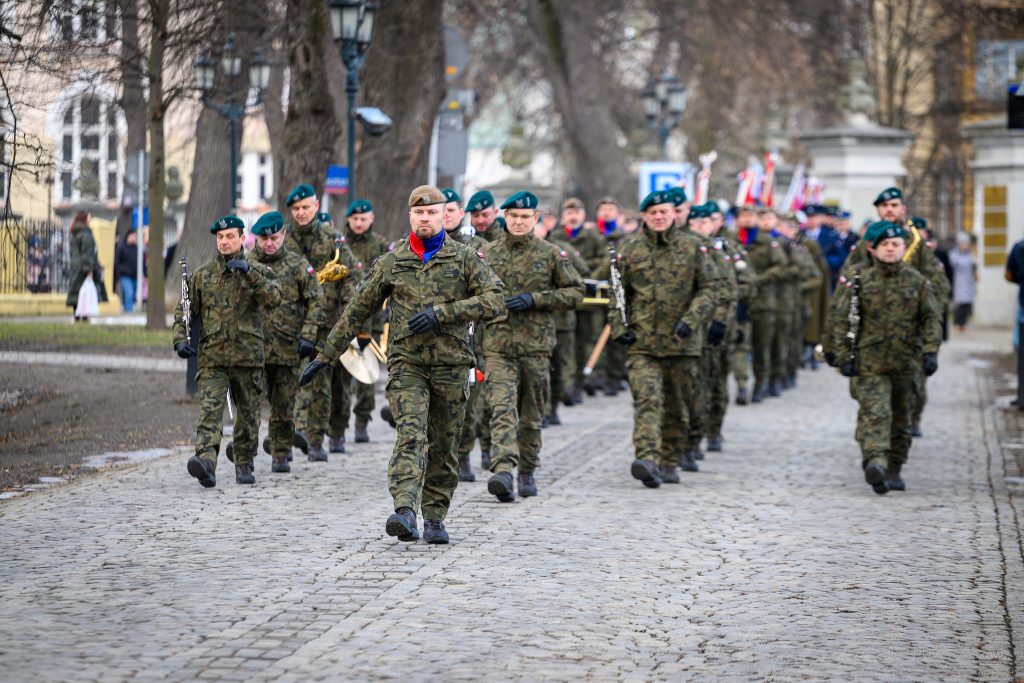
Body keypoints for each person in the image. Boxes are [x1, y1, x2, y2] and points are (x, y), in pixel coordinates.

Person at [299, 185, 504, 544]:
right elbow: (357, 309)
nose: (425, 218)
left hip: (451, 366)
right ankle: (405, 510)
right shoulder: (393, 261)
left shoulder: (465, 258)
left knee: (444, 443)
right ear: (410, 216)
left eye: (432, 213)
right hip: (407, 365)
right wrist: (326, 356)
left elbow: (495, 299)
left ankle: (436, 517)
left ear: (444, 216)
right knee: (411, 435)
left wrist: (444, 313)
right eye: (419, 213)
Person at [480, 190, 584, 501]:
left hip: (536, 347)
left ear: (535, 219)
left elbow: (576, 292)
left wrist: (537, 299)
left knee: (531, 413)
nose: (520, 222)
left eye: (526, 217)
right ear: (505, 218)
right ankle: (504, 469)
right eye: (514, 217)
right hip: (498, 346)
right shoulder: (488, 255)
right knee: (501, 408)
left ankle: (527, 469)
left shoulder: (551, 254)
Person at [823, 221, 941, 494]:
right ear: (873, 250)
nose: (890, 249)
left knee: (901, 418)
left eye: (896, 245)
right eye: (885, 245)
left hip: (906, 362)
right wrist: (841, 355)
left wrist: (931, 351)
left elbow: (931, 319)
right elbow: (840, 318)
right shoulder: (859, 279)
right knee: (875, 413)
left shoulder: (917, 281)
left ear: (904, 248)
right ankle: (875, 461)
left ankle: (894, 467)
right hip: (870, 361)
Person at [612, 190, 719, 488]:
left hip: (682, 342)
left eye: (664, 212)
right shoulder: (629, 249)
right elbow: (618, 295)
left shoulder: (693, 247)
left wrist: (691, 320)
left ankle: (670, 458)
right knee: (647, 400)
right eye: (652, 213)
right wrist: (621, 327)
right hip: (643, 342)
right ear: (644, 216)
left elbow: (710, 289)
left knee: (677, 403)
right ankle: (647, 457)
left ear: (674, 214)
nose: (658, 217)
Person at [172, 215, 282, 487]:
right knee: (210, 411)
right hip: (213, 357)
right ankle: (206, 460)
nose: (224, 242)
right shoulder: (203, 276)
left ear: (242, 238)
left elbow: (273, 299)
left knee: (248, 414)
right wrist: (179, 339)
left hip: (248, 357)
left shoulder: (258, 270)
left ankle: (244, 460)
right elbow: (184, 311)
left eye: (230, 236)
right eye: (220, 237)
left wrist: (249, 272)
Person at [284, 183, 358, 461]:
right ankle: (290, 435)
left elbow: (351, 275)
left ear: (316, 206)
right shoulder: (283, 238)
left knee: (321, 382)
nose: (301, 213)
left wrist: (347, 310)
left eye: (305, 207)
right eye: (295, 209)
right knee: (287, 379)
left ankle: (315, 440)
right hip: (289, 321)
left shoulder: (332, 238)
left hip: (326, 322)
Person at [246, 211, 322, 473]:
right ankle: (246, 454)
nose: (269, 243)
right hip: (251, 348)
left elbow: (316, 301)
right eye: (264, 238)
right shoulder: (246, 264)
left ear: (284, 235)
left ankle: (280, 451)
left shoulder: (298, 265)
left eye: (274, 237)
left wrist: (308, 335)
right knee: (250, 405)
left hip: (288, 346)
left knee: (283, 404)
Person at [440, 188, 491, 481]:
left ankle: (464, 456)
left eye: (452, 209)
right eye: (441, 209)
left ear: (461, 213)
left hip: (472, 337)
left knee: (471, 402)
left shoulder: (479, 247)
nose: (446, 215)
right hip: (437, 337)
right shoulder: (424, 246)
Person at [342, 201, 389, 443]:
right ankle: (336, 426)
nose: (359, 223)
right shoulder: (341, 244)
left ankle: (362, 421)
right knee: (340, 377)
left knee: (367, 375)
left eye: (363, 218)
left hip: (370, 319)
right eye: (355, 218)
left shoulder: (380, 245)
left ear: (372, 218)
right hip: (341, 318)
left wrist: (379, 325)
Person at [66, 210, 108, 320]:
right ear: (84, 220)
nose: (90, 221)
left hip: (75, 267)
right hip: (84, 269)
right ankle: (84, 316)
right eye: (89, 218)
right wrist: (89, 270)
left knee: (77, 292)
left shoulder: (73, 233)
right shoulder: (86, 235)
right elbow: (87, 254)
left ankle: (77, 315)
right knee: (85, 294)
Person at [949, 232, 977, 331]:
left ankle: (963, 323)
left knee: (967, 303)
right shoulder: (954, 254)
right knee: (960, 303)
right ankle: (957, 322)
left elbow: (973, 266)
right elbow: (954, 264)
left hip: (968, 281)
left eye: (967, 244)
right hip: (959, 281)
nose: (965, 246)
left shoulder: (970, 255)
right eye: (963, 243)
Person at [113, 228, 145, 313]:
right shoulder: (122, 248)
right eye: (132, 236)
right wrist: (120, 271)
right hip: (125, 276)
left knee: (133, 295)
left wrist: (145, 276)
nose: (133, 238)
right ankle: (128, 313)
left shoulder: (138, 249)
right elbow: (117, 262)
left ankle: (127, 309)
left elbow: (142, 263)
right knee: (129, 294)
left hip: (135, 276)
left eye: (135, 236)